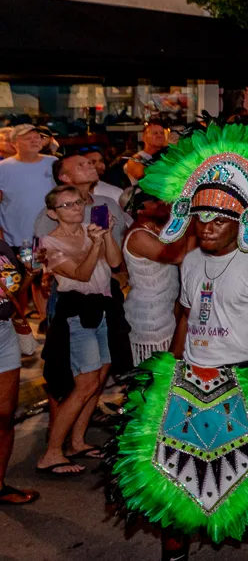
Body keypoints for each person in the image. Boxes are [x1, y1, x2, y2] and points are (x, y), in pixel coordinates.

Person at [107, 123, 248, 561]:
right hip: (192, 376)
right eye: (200, 220)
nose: (207, 229)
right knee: (171, 468)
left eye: (219, 220)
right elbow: (186, 315)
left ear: (243, 222)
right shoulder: (192, 260)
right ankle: (174, 555)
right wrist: (171, 367)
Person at [35, 185, 122, 475]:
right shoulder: (48, 243)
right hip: (76, 314)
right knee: (84, 383)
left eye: (78, 202)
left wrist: (106, 234)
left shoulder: (91, 229)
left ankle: (77, 442)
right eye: (67, 205)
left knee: (98, 378)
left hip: (103, 309)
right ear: (52, 213)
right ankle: (51, 453)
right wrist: (95, 244)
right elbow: (81, 274)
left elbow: (115, 262)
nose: (76, 208)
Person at [122, 191, 192, 364]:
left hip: (166, 309)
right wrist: (184, 221)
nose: (162, 204)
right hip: (150, 314)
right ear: (140, 210)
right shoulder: (138, 235)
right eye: (154, 201)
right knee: (156, 368)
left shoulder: (159, 230)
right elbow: (176, 256)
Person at [0, 235, 39, 504]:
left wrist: (29, 274)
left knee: (4, 417)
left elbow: (13, 291)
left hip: (4, 332)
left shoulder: (2, 245)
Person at [34, 154, 127, 245]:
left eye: (89, 163)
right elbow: (42, 249)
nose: (91, 167)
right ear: (65, 177)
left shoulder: (108, 202)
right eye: (80, 166)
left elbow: (125, 237)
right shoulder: (56, 211)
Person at [0, 124, 56, 249]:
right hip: (17, 240)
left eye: (37, 137)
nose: (34, 140)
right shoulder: (3, 168)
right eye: (28, 138)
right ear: (14, 144)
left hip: (52, 238)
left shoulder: (53, 162)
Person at [123, 120, 167, 185]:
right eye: (155, 133)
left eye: (162, 133)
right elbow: (147, 177)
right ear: (144, 137)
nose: (159, 135)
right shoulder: (135, 159)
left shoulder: (167, 155)